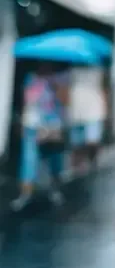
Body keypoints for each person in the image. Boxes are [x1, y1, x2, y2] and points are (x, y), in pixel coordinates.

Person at [11, 65, 66, 211]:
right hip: (32, 123)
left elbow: (64, 101)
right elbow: (26, 100)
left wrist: (56, 87)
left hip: (53, 124)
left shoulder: (59, 78)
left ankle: (55, 188)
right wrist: (22, 121)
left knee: (54, 159)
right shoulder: (31, 77)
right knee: (29, 159)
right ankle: (25, 193)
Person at [66, 65, 107, 174]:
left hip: (94, 110)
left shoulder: (98, 68)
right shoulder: (71, 68)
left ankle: (92, 161)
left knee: (92, 140)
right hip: (76, 109)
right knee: (76, 143)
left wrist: (104, 107)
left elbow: (104, 87)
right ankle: (78, 167)